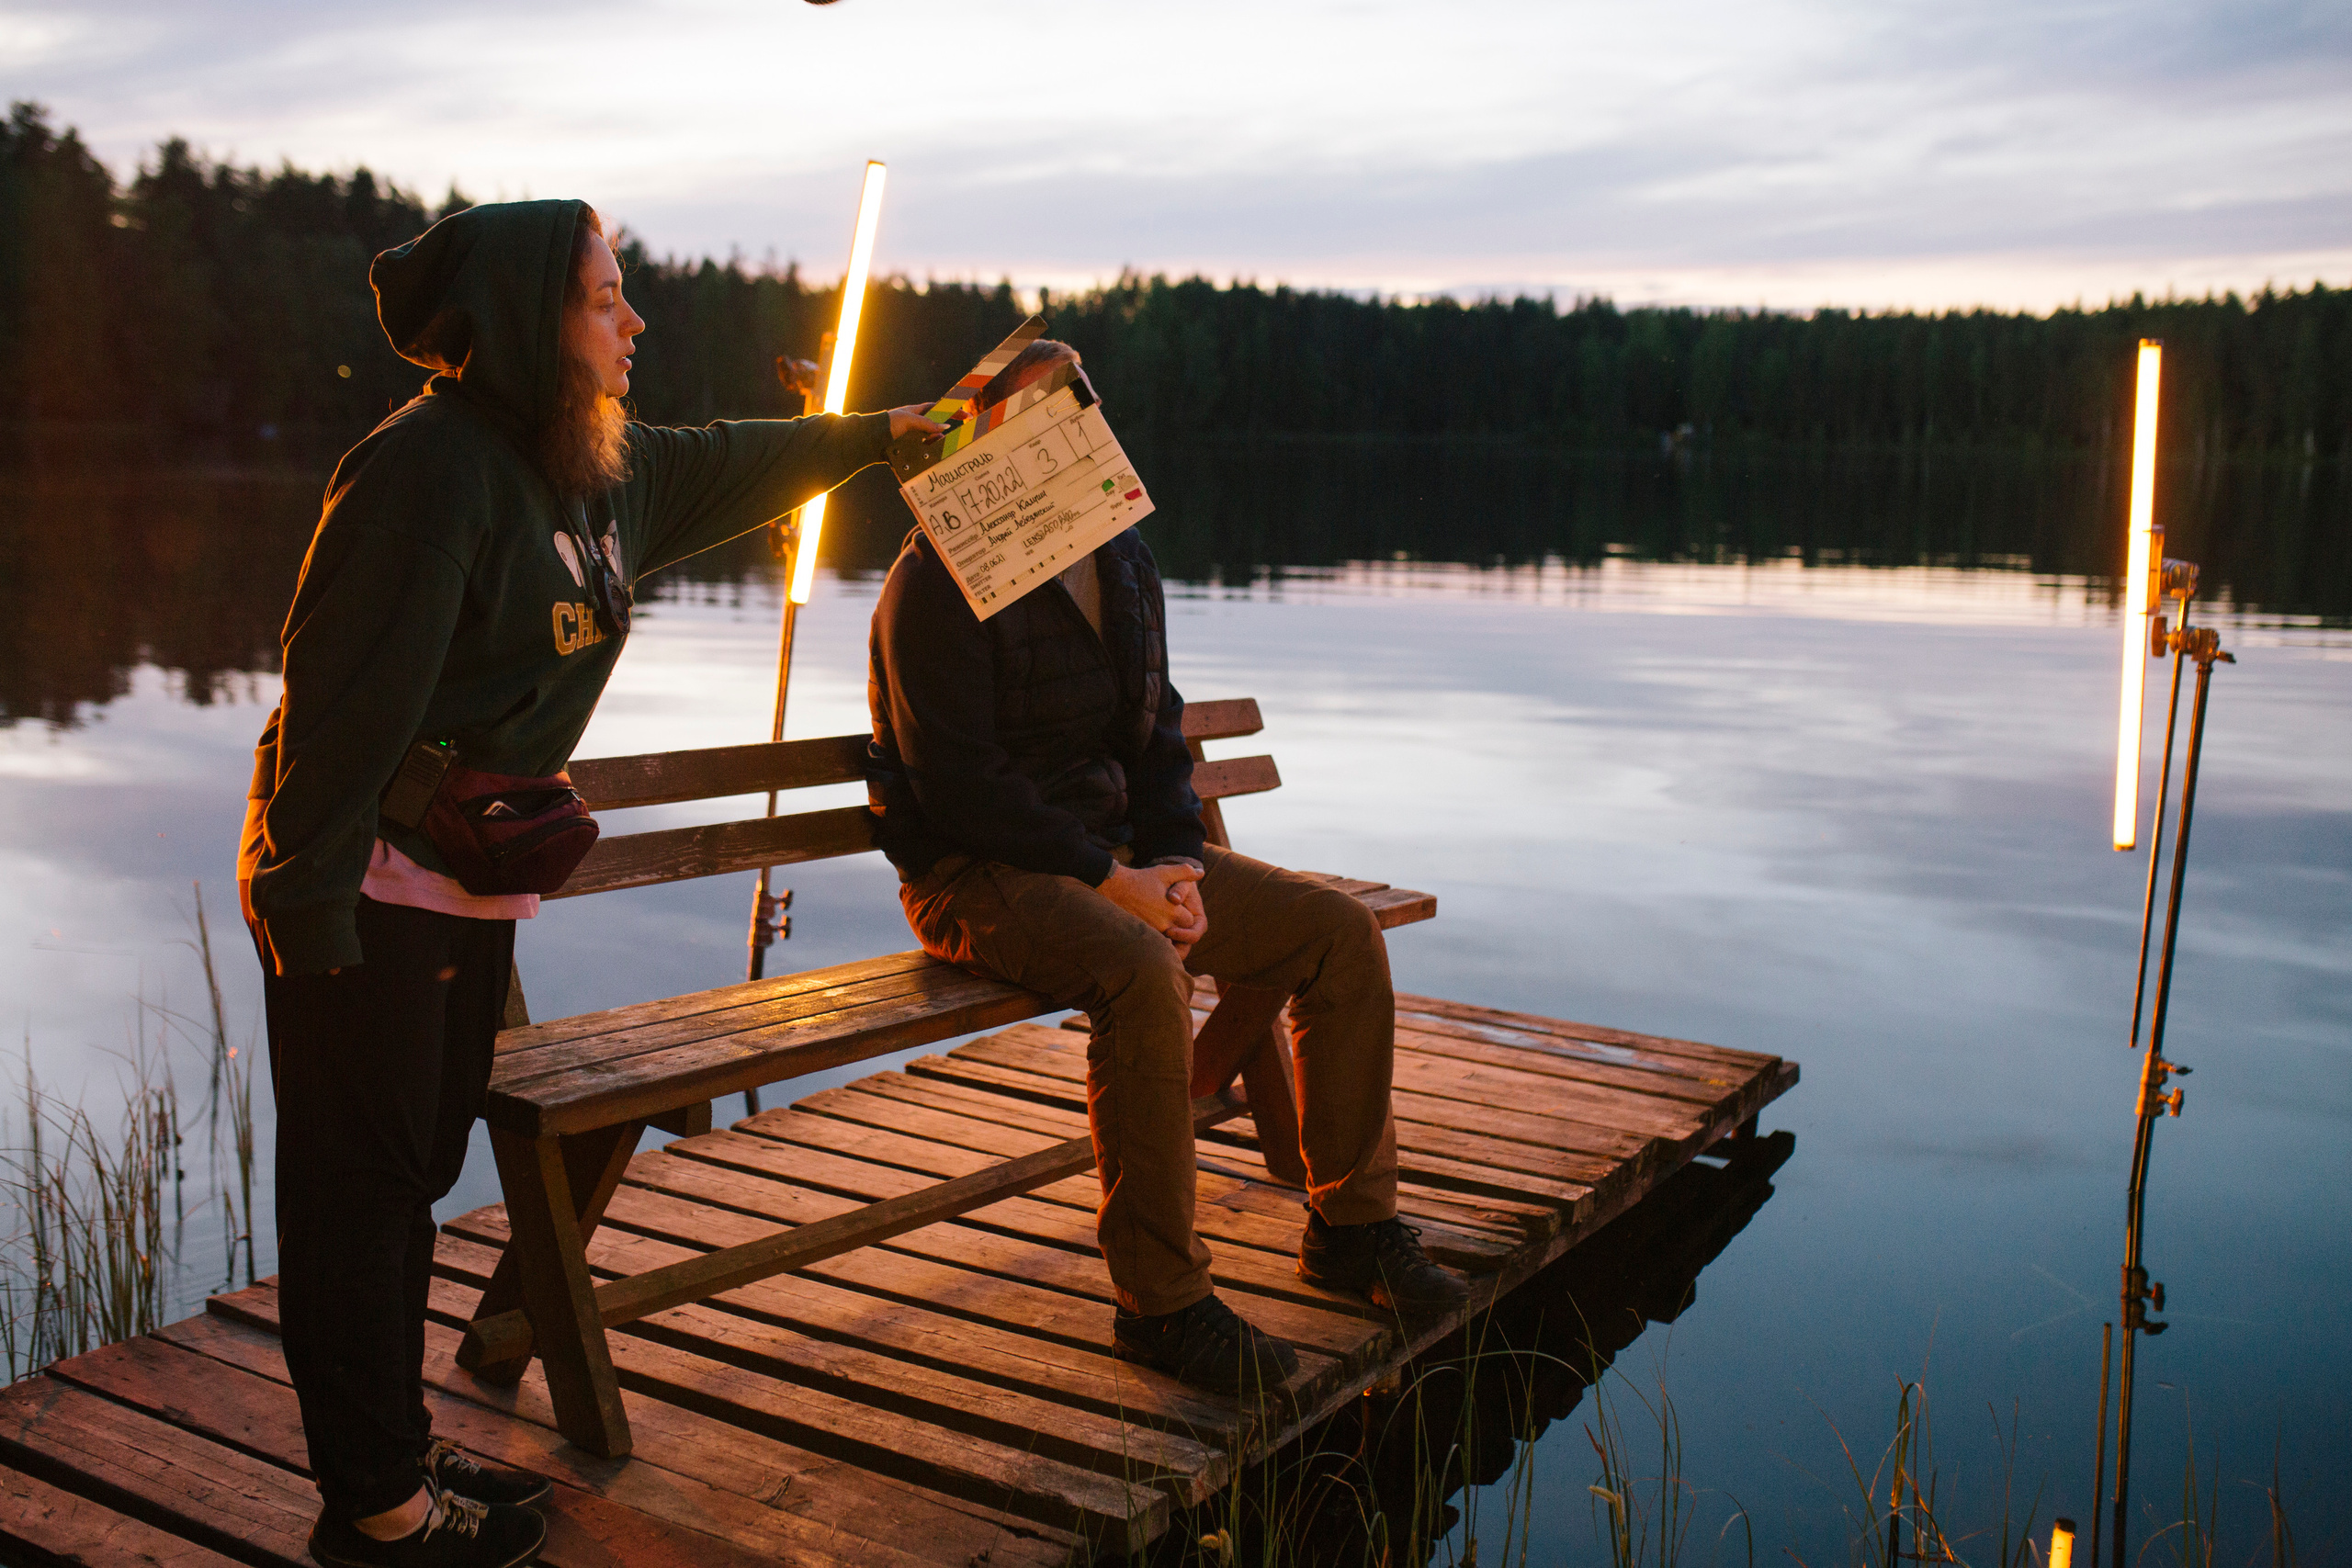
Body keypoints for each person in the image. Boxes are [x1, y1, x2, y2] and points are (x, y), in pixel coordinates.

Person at [240, 197, 943, 1568]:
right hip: (366, 893)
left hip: (464, 893)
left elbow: (748, 461)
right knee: (361, 1189)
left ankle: (390, 1453)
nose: (637, 320)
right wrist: (307, 923)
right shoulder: (425, 473)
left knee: (415, 1176)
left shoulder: (593, 465)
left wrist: (897, 431)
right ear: (526, 319)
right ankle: (375, 1512)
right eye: (606, 297)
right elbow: (330, 716)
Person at [866, 340, 1467, 1398]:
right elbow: (959, 784)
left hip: (1122, 859)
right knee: (1144, 970)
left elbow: (1156, 738)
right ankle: (1160, 1304)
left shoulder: (1122, 557)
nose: (1069, 432)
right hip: (974, 874)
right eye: (1039, 417)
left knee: (1335, 932)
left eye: (1080, 409)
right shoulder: (933, 578)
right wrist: (1114, 883)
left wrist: (1178, 860)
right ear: (985, 439)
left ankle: (1350, 1229)